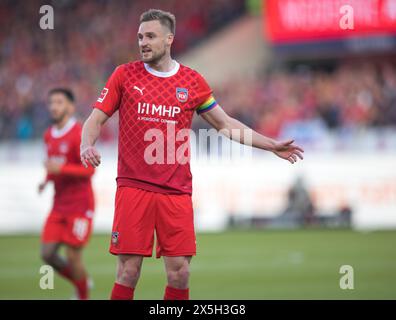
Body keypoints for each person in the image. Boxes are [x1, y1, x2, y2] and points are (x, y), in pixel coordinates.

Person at [80, 9, 304, 300]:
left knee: (180, 273)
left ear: (169, 39)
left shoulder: (192, 81)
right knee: (129, 271)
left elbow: (225, 124)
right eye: (139, 37)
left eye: (150, 36)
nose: (143, 42)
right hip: (134, 187)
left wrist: (270, 144)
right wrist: (87, 144)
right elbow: (95, 119)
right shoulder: (125, 75)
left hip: (176, 191)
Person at [39, 88, 95, 300]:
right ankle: (80, 281)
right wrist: (46, 181)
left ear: (70, 107)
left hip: (80, 206)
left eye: (59, 102)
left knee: (73, 256)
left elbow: (89, 170)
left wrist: (59, 170)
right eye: (52, 102)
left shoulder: (79, 134)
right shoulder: (48, 135)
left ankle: (83, 295)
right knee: (47, 254)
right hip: (59, 206)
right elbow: (53, 166)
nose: (54, 106)